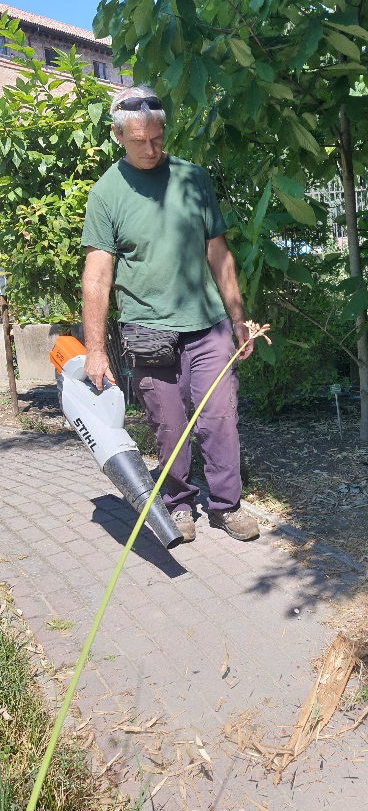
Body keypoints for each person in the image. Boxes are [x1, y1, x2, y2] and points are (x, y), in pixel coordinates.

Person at [81, 85, 259, 544]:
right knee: (169, 426)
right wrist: (95, 349)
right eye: (139, 141)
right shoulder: (106, 193)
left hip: (208, 325)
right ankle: (179, 504)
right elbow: (97, 276)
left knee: (220, 419)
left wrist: (238, 317)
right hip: (148, 331)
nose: (150, 148)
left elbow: (218, 252)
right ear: (119, 136)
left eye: (157, 138)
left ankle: (226, 505)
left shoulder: (193, 178)